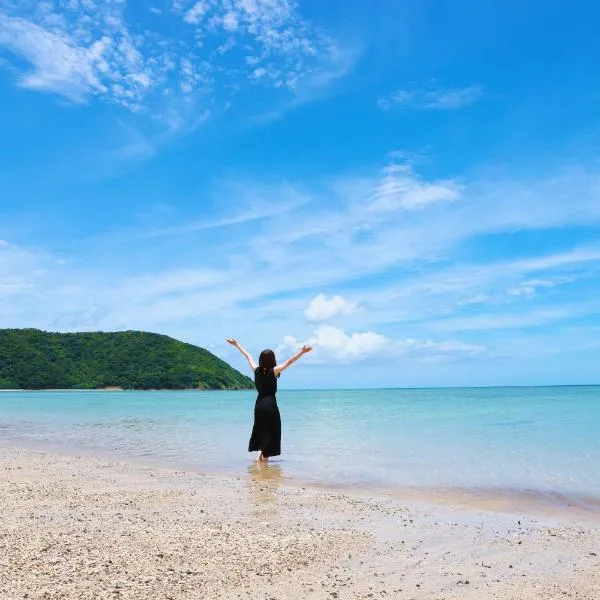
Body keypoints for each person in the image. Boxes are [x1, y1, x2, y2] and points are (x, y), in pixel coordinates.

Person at [226, 339, 312, 463]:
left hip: (259, 404)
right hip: (270, 404)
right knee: (271, 430)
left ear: (261, 359)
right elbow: (289, 362)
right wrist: (302, 352)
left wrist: (236, 344)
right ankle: (265, 460)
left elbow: (248, 356)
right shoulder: (274, 371)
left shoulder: (256, 370)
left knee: (261, 428)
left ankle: (259, 456)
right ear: (272, 360)